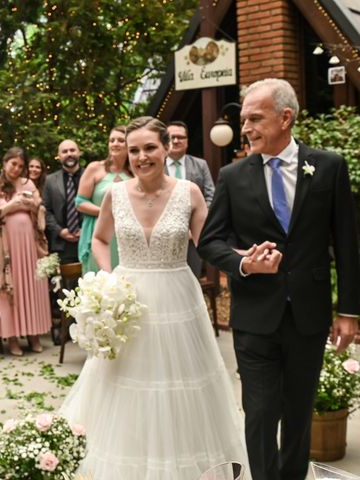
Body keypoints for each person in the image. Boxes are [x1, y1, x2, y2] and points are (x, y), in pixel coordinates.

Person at [60, 116, 249, 479]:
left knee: (180, 386)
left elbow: (210, 244)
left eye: (150, 148)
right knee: (126, 384)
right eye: (134, 150)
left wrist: (243, 259)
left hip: (178, 300)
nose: (142, 156)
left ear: (167, 147)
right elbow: (100, 240)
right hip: (127, 303)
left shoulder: (189, 192)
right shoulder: (115, 194)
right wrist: (107, 278)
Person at [198, 78, 360, 480]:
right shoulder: (233, 176)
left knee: (298, 412)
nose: (246, 127)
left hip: (309, 314)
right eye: (244, 119)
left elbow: (347, 243)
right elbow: (210, 242)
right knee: (260, 412)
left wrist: (350, 312)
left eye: (255, 117)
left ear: (285, 117)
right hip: (255, 315)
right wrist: (246, 265)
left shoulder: (328, 166)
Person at [0, 147, 52, 356]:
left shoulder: (28, 184)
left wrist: (33, 206)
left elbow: (40, 209)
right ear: (4, 163)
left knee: (32, 288)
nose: (17, 169)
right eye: (13, 164)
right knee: (8, 291)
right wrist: (11, 206)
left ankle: (34, 334)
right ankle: (12, 338)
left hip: (29, 247)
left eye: (21, 166)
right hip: (3, 247)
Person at [76, 125, 132, 273]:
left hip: (126, 233)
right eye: (111, 140)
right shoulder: (95, 168)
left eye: (120, 140)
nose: (115, 143)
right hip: (99, 230)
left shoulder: (134, 172)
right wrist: (106, 212)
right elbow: (80, 202)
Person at [166, 121, 215, 277]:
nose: (176, 141)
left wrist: (196, 223)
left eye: (181, 137)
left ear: (187, 141)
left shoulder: (200, 165)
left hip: (193, 234)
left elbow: (211, 195)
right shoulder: (156, 165)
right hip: (163, 234)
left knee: (192, 277)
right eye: (171, 137)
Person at [43, 139, 83, 264]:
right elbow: (46, 210)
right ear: (59, 156)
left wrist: (86, 229)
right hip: (62, 244)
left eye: (72, 150)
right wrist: (60, 231)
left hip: (88, 239)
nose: (69, 154)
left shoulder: (91, 175)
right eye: (64, 151)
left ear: (79, 153)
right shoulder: (50, 180)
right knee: (66, 282)